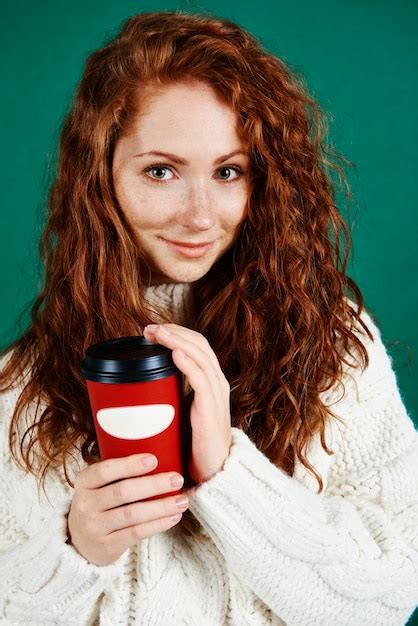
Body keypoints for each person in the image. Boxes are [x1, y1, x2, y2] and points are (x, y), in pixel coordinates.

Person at [1, 9, 417, 625]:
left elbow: (385, 599)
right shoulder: (20, 388)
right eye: (161, 171)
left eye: (228, 172)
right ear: (101, 179)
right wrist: (75, 553)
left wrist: (229, 473)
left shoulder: (332, 341)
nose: (200, 215)